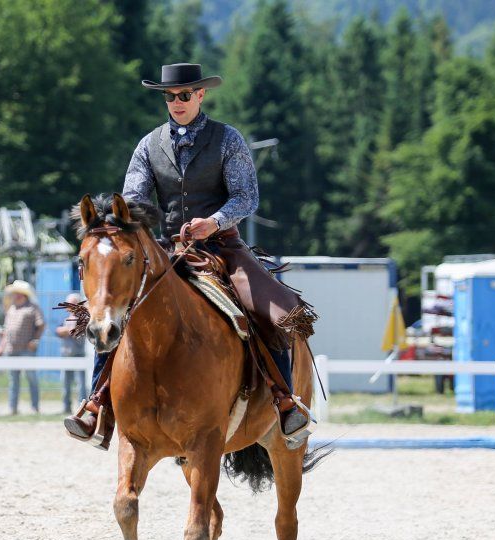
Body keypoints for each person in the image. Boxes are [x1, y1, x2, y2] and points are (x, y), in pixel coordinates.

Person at [64, 62, 312, 448]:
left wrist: (214, 222)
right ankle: (97, 403)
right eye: (170, 96)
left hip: (222, 247)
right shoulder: (148, 145)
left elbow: (246, 196)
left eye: (183, 95)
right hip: (166, 250)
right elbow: (133, 200)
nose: (176, 102)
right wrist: (127, 229)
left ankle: (284, 400)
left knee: (274, 310)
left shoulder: (227, 139)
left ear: (200, 95)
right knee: (113, 311)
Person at [0, 280, 44, 415]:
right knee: (13, 380)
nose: (13, 296)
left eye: (16, 293)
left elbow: (41, 325)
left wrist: (35, 340)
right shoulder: (12, 308)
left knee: (31, 378)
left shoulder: (33, 308)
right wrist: (1, 347)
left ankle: (34, 407)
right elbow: (6, 331)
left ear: (22, 294)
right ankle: (12, 407)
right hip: (11, 349)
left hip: (26, 350)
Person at [55, 292, 88, 413]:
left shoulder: (83, 318)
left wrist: (67, 330)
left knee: (81, 383)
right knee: (65, 382)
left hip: (78, 354)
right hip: (66, 354)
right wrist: (66, 330)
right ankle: (66, 406)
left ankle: (82, 406)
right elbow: (58, 330)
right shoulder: (66, 317)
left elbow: (74, 331)